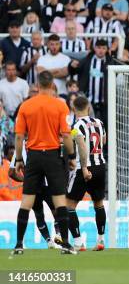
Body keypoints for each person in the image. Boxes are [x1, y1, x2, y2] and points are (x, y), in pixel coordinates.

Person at [12, 70, 76, 255]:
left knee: (27, 201)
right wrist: (71, 158)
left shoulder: (26, 106)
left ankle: (18, 245)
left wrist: (18, 159)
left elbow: (18, 137)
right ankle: (66, 244)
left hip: (33, 156)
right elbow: (65, 135)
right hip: (52, 156)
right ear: (52, 86)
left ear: (38, 85)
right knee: (59, 201)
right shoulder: (60, 106)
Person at [66, 96, 107, 252]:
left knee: (69, 204)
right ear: (88, 107)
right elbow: (103, 142)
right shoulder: (99, 123)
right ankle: (101, 240)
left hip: (84, 168)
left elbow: (82, 145)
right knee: (98, 203)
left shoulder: (76, 126)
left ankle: (78, 242)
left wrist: (83, 167)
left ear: (74, 109)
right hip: (100, 166)